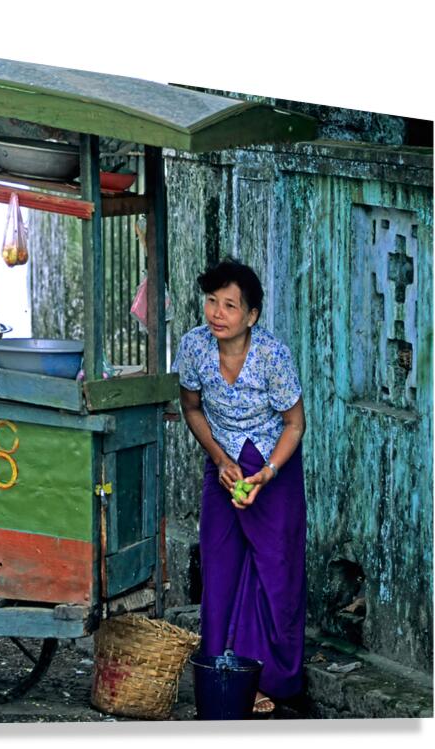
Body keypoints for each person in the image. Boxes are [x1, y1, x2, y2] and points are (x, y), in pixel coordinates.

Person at [172, 257, 306, 716]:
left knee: (275, 570)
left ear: (251, 315)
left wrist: (266, 472)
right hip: (224, 465)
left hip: (272, 466)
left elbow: (294, 423)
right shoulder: (193, 348)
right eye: (211, 301)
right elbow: (190, 407)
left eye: (230, 305)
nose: (217, 313)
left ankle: (269, 678)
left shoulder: (272, 356)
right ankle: (220, 673)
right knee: (220, 565)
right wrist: (219, 459)